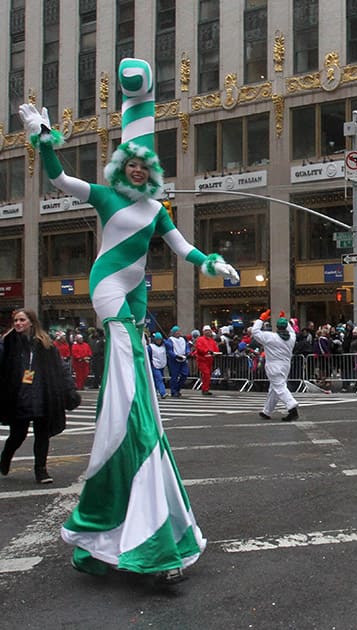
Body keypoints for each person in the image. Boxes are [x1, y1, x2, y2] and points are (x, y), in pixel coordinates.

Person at [20, 58, 239, 581]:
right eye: (130, 164)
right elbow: (59, 179)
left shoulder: (158, 209)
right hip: (109, 290)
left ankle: (110, 521)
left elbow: (184, 249)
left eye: (144, 165)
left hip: (139, 299)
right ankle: (133, 481)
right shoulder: (103, 195)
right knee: (131, 398)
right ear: (121, 168)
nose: (137, 171)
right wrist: (43, 141)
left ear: (152, 170)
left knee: (134, 391)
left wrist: (215, 263)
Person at [0, 309, 75, 484]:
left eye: (22, 320)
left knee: (42, 435)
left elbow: (61, 369)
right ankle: (5, 457)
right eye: (16, 320)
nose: (18, 323)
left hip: (42, 394)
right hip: (19, 396)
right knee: (18, 434)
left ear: (31, 322)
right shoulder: (7, 343)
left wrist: (69, 391)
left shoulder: (46, 345)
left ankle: (41, 470)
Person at [251, 310, 299, 421]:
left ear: (276, 327)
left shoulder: (270, 337)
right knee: (274, 388)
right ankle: (267, 411)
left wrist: (261, 319)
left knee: (280, 387)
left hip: (273, 365)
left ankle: (292, 408)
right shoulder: (292, 337)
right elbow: (291, 330)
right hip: (285, 365)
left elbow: (255, 331)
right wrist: (284, 320)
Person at [193, 324, 219, 395]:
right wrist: (207, 351)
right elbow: (199, 348)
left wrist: (216, 353)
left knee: (208, 375)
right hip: (202, 360)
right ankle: (205, 389)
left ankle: (205, 389)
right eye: (206, 331)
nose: (208, 332)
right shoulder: (200, 339)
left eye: (209, 331)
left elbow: (215, 349)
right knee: (206, 374)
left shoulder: (212, 340)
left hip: (209, 360)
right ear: (203, 332)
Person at [165, 325, 191, 397]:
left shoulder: (183, 339)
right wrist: (176, 356)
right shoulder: (170, 340)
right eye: (176, 332)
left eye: (179, 331)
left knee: (185, 374)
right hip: (174, 361)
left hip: (183, 359)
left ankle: (178, 388)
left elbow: (187, 347)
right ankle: (174, 391)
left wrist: (188, 353)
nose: (178, 333)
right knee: (174, 376)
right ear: (173, 333)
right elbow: (170, 351)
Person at [147, 332, 168, 398]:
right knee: (159, 379)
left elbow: (169, 344)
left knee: (156, 380)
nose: (159, 341)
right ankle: (163, 392)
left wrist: (164, 340)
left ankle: (154, 392)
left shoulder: (164, 346)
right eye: (157, 339)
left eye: (160, 339)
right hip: (154, 365)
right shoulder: (151, 347)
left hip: (162, 365)